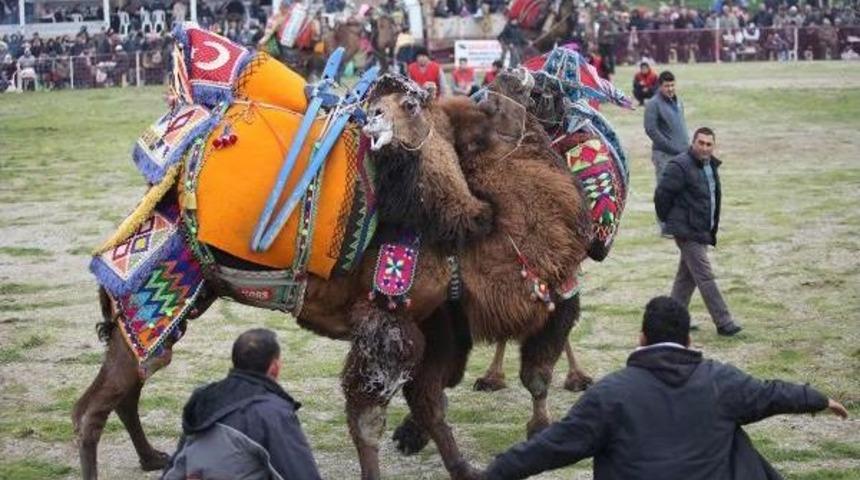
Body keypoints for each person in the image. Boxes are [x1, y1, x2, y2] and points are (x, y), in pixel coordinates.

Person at [482, 296, 849, 480]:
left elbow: (552, 445)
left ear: (641, 338)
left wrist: (491, 473)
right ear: (688, 340)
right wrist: (817, 399)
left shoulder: (610, 394)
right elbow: (770, 394)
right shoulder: (720, 381)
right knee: (736, 440)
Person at [162, 328, 321, 480]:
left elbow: (177, 466)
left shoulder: (205, 398)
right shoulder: (272, 411)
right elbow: (300, 473)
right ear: (274, 367)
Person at [655, 127, 743, 336]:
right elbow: (662, 195)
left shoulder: (710, 165)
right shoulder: (679, 165)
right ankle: (724, 322)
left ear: (713, 146)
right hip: (686, 231)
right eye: (701, 143)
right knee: (705, 276)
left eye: (708, 144)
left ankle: (672, 321)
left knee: (686, 278)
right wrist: (670, 221)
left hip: (701, 230)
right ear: (693, 143)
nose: (704, 147)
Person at [644, 70, 689, 182]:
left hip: (682, 154)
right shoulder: (653, 104)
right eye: (666, 86)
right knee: (666, 188)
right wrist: (668, 146)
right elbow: (650, 129)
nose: (670, 89)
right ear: (660, 86)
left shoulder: (678, 102)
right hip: (664, 155)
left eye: (672, 85)